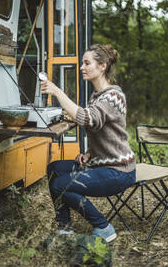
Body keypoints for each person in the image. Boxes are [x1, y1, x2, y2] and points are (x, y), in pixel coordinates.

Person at [40, 44, 136, 243]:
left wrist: (57, 91)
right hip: (100, 163)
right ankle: (64, 227)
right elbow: (103, 132)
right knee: (54, 168)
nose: (82, 67)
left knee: (60, 185)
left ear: (102, 66)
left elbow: (86, 119)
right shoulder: (97, 97)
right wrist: (89, 153)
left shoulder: (114, 96)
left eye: (87, 63)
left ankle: (103, 226)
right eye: (82, 63)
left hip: (118, 171)